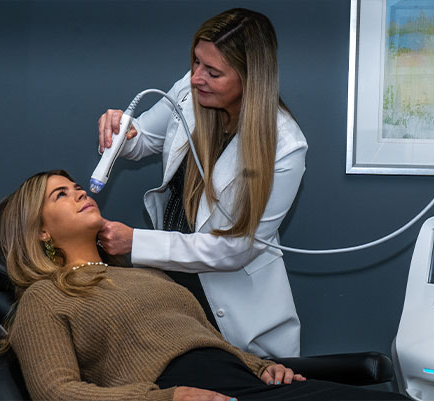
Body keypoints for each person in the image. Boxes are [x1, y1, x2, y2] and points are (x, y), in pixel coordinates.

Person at [0, 170, 409, 401]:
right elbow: (56, 393)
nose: (80, 192)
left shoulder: (145, 274)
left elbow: (203, 341)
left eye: (77, 187)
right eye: (61, 195)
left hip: (242, 382)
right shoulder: (44, 299)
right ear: (42, 233)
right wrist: (168, 400)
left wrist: (262, 367)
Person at [96, 8, 305, 357]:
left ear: (251, 77)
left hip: (236, 309)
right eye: (195, 62)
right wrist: (120, 131)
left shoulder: (285, 147)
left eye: (213, 72)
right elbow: (143, 139)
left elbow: (234, 250)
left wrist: (137, 242)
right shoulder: (190, 90)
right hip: (173, 290)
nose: (195, 78)